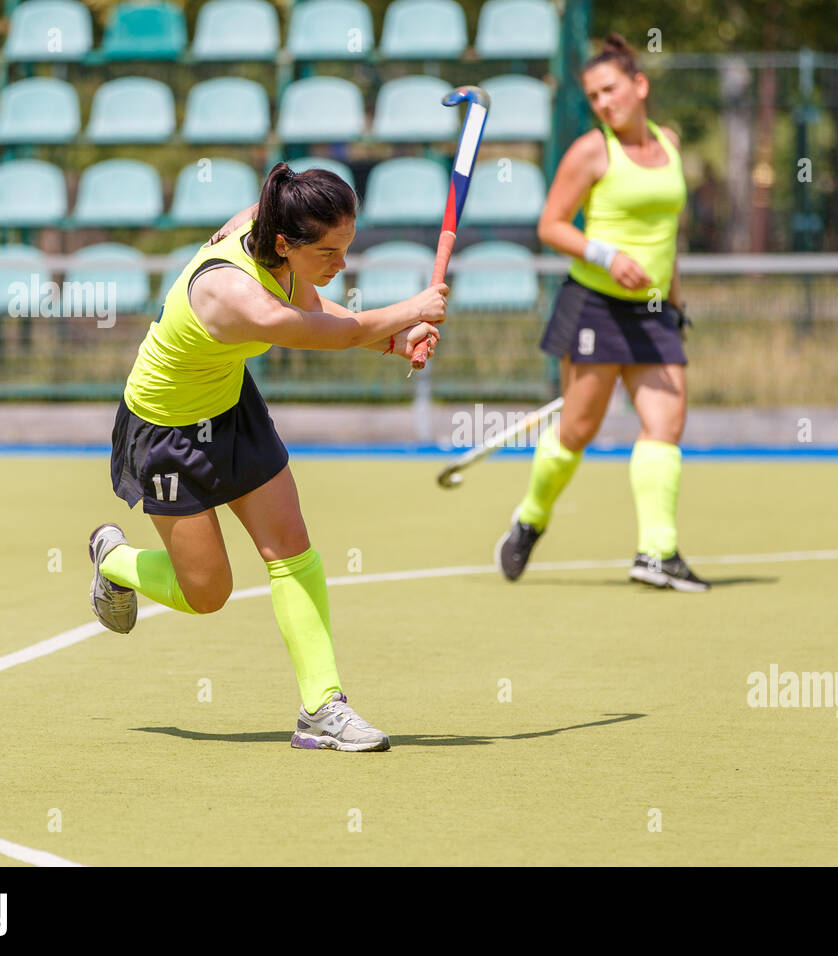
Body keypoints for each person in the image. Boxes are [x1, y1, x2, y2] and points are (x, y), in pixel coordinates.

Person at [88, 163, 448, 752]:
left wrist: (391, 339)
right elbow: (315, 331)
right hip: (167, 429)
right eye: (329, 251)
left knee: (291, 549)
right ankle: (115, 561)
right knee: (207, 594)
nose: (341, 264)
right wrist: (412, 309)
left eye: (347, 247)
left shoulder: (272, 228)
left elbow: (314, 304)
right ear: (285, 243)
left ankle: (322, 709)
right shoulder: (230, 294)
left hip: (231, 404)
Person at [494, 32, 709, 592]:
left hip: (655, 309)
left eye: (610, 90)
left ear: (640, 86)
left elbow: (667, 236)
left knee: (667, 422)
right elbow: (551, 225)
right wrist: (607, 255)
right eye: (593, 96)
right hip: (596, 303)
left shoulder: (671, 144)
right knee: (578, 430)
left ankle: (657, 553)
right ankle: (531, 519)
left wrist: (676, 298)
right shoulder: (592, 150)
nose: (603, 103)